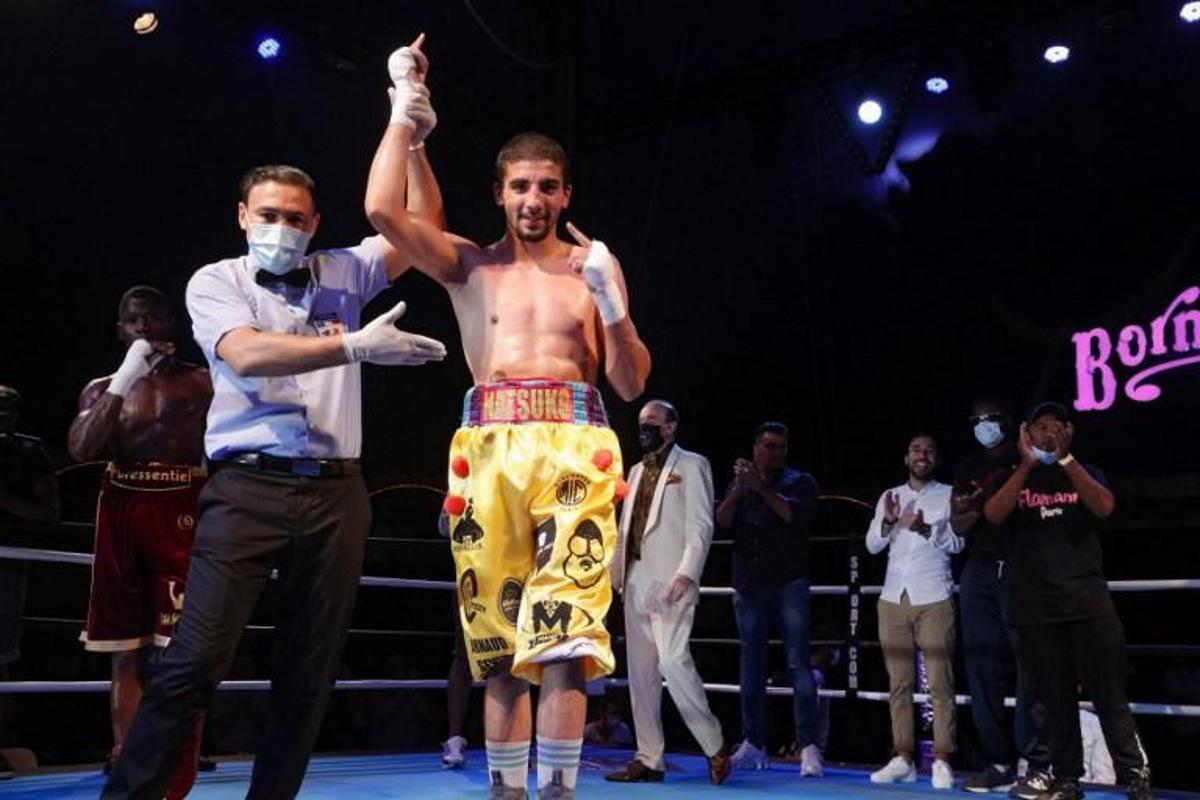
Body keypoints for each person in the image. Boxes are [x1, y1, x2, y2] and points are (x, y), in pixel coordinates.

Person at [100, 156, 446, 800]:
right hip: (245, 490)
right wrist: (352, 347)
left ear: (314, 223)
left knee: (309, 676)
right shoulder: (215, 281)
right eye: (268, 215)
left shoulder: (346, 270)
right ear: (242, 217)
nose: (281, 228)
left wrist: (411, 129)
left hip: (337, 492)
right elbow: (247, 353)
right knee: (192, 663)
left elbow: (423, 224)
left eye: (294, 218)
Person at [364, 36, 651, 800]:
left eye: (548, 187)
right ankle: (506, 792)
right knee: (496, 643)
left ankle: (557, 792)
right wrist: (405, 110)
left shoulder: (589, 273)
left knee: (565, 639)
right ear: (499, 191)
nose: (534, 199)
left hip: (575, 448)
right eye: (521, 185)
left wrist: (615, 303)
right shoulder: (467, 266)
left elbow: (629, 383)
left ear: (566, 194)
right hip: (489, 448)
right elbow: (381, 209)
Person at [68, 286, 212, 796]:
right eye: (135, 320)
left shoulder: (202, 381)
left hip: (182, 510)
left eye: (154, 318)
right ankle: (127, 760)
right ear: (120, 330)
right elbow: (83, 446)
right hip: (121, 511)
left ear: (172, 325)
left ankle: (180, 768)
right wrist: (127, 375)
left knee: (182, 651)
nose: (145, 327)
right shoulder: (103, 387)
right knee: (125, 651)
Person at [983, 402, 1153, 800]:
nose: (1047, 433)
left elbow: (1105, 507)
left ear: (1068, 431)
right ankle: (1067, 778)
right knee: (1054, 699)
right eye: (1040, 426)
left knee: (1109, 694)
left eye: (1055, 426)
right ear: (1026, 432)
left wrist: (1066, 459)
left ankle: (1135, 774)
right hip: (1036, 605)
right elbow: (993, 514)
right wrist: (1025, 465)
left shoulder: (1086, 471)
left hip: (1087, 600)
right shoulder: (1013, 476)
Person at [604, 400, 729, 785]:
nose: (645, 428)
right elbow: (626, 530)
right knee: (640, 674)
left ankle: (715, 745)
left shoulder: (692, 465)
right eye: (642, 422)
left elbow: (701, 525)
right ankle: (649, 758)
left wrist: (687, 573)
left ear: (671, 427)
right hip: (636, 579)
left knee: (673, 662)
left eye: (653, 422)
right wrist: (615, 577)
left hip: (672, 580)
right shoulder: (637, 470)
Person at [949, 398, 1049, 795]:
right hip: (979, 568)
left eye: (989, 418)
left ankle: (1034, 761)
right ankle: (997, 760)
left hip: (1023, 566)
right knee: (979, 663)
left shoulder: (1031, 460)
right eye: (975, 420)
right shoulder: (968, 467)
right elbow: (958, 523)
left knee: (1030, 665)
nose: (982, 425)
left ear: (1008, 422)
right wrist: (975, 505)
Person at [714, 421, 823, 777]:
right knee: (751, 665)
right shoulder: (741, 482)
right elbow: (723, 520)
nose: (773, 452)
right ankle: (753, 743)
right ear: (756, 448)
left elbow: (793, 515)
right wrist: (738, 490)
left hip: (789, 582)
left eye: (780, 446)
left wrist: (760, 488)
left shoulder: (801, 481)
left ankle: (808, 746)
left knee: (798, 664)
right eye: (767, 446)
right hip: (749, 585)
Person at [865, 434, 961, 791]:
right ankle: (903, 757)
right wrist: (889, 523)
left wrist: (926, 529)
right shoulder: (890, 496)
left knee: (940, 683)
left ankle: (941, 760)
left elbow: (958, 543)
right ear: (906, 458)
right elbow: (872, 545)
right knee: (899, 684)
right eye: (917, 450)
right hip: (893, 598)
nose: (923, 455)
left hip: (934, 594)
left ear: (936, 459)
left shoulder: (949, 494)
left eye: (930, 450)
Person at [0, 385, 60, 779]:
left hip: (7, 562)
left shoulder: (28, 452)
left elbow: (49, 511)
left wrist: (3, 500)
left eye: (7, 408)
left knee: (1, 655)